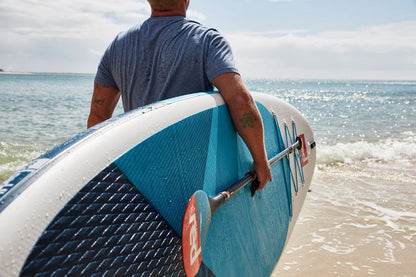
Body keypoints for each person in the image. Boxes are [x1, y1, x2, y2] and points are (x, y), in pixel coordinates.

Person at [87, 0, 271, 191]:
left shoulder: (117, 46)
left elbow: (98, 117)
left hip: (140, 174)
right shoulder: (207, 41)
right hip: (190, 177)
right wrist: (260, 160)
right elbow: (239, 101)